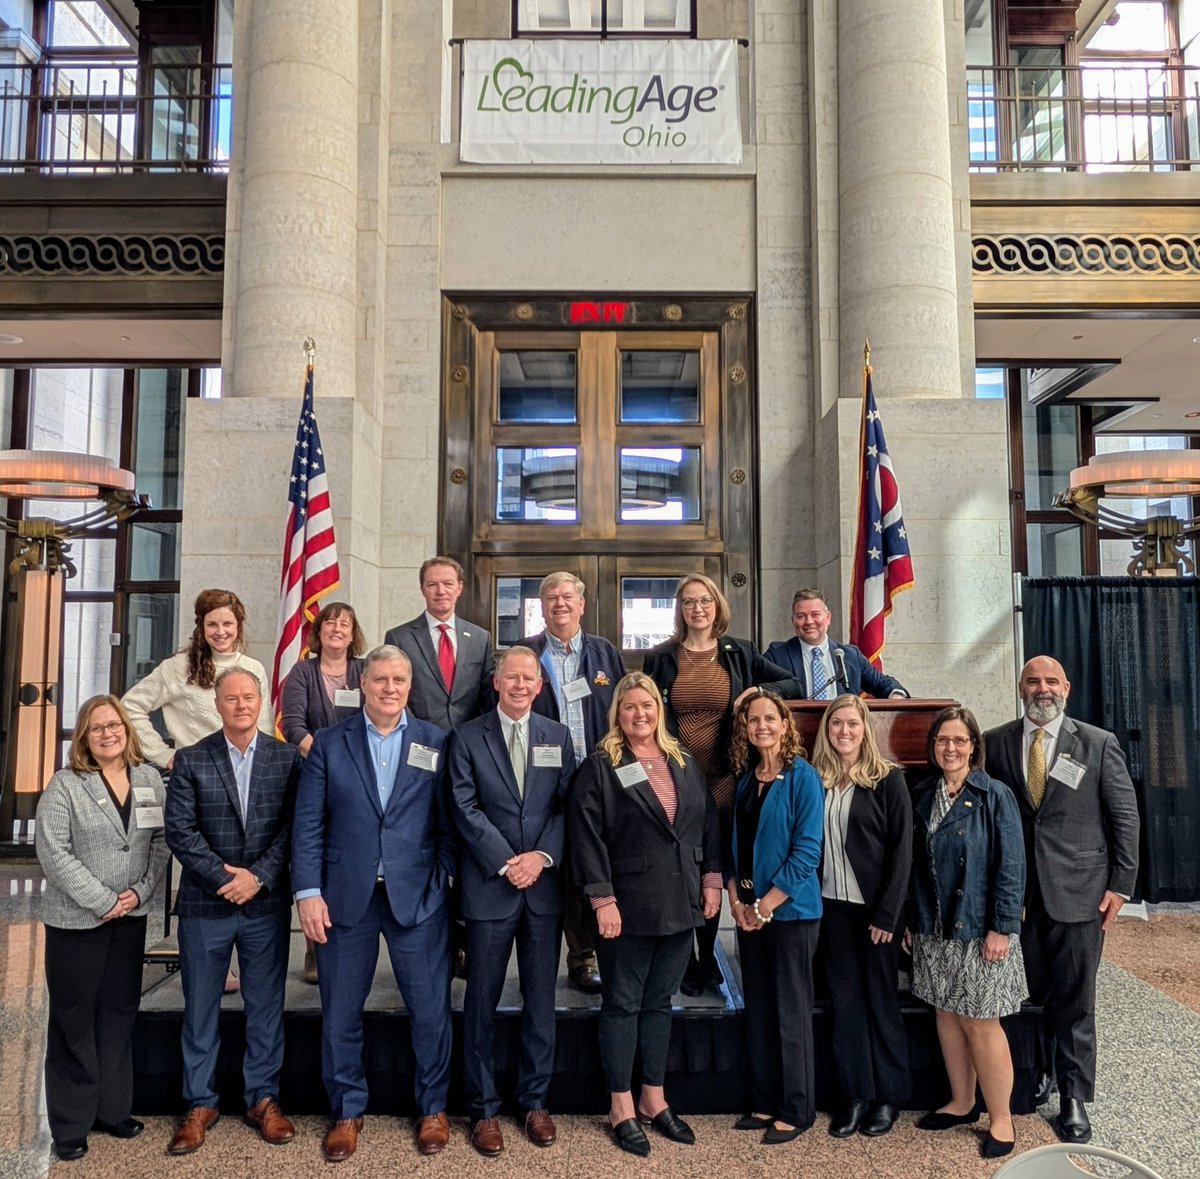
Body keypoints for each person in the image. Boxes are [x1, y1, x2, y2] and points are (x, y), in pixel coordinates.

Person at [292, 645, 455, 1162]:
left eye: (399, 681)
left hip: (417, 898)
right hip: (344, 899)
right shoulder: (330, 745)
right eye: (380, 679)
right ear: (363, 684)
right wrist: (308, 893)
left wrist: (443, 881)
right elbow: (308, 824)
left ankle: (433, 1108)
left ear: (410, 686)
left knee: (430, 1011)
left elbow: (449, 822)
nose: (389, 688)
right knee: (341, 1012)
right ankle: (346, 1111)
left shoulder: (436, 742)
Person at [984, 656, 1140, 1145]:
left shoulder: (1096, 743)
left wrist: (1120, 884)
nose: (1042, 688)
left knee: (1075, 1001)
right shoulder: (994, 742)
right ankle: (1030, 1079)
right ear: (1020, 687)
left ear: (1066, 688)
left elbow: (1124, 818)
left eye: (1051, 680)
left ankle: (1073, 1097)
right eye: (1033, 680)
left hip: (1081, 894)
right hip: (1017, 898)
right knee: (1021, 999)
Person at [567, 673, 722, 1158]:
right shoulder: (603, 765)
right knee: (623, 1004)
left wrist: (712, 878)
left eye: (648, 706)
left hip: (680, 903)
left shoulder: (682, 760)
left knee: (660, 1003)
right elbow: (585, 836)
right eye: (630, 707)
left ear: (659, 710)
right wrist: (601, 898)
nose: (641, 715)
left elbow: (706, 824)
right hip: (626, 906)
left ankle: (654, 1097)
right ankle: (620, 1105)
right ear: (619, 713)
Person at [163, 668, 302, 1155]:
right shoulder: (192, 759)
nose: (241, 705)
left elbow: (294, 828)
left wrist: (258, 876)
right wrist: (226, 878)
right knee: (200, 1008)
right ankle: (200, 1102)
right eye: (231, 698)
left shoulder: (286, 759)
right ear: (217, 704)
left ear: (261, 701)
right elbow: (180, 831)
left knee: (265, 1007)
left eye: (249, 697)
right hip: (206, 903)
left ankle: (262, 1099)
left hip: (265, 903)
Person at [642, 574, 801, 994]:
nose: (698, 609)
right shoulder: (661, 657)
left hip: (729, 776)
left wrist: (755, 690)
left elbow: (792, 683)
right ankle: (685, 957)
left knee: (718, 864)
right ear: (680, 610)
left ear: (717, 607)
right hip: (679, 779)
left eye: (705, 601)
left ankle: (709, 954)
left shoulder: (740, 652)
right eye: (690, 602)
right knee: (685, 866)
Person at [448, 646, 576, 1156]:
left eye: (530, 678)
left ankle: (535, 1101)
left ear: (539, 686)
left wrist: (540, 857)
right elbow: (463, 806)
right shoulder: (467, 736)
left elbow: (568, 807)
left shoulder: (558, 737)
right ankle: (481, 1109)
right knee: (480, 1000)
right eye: (512, 677)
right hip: (489, 886)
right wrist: (508, 861)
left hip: (543, 890)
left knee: (540, 1002)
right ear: (497, 683)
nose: (521, 685)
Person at [35, 695, 169, 1162]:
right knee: (75, 1019)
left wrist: (139, 893)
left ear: (127, 731)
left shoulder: (149, 779)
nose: (108, 733)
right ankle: (71, 1125)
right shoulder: (66, 785)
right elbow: (54, 854)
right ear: (84, 737)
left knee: (117, 1013)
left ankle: (113, 1109)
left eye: (115, 725)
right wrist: (104, 900)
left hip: (130, 918)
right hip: (78, 922)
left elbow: (159, 844)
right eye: (97, 728)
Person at [909, 707, 1026, 1161]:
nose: (951, 748)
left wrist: (1002, 926)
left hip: (981, 930)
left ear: (974, 746)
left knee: (980, 1022)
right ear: (933, 747)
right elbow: (915, 869)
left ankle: (1001, 1118)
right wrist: (914, 922)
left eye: (960, 740)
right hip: (935, 930)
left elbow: (1012, 867)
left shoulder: (995, 795)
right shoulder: (923, 795)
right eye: (942, 741)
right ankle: (962, 1102)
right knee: (946, 1014)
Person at [810, 693, 912, 1138]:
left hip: (876, 914)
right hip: (831, 910)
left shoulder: (887, 780)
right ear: (827, 731)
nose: (844, 732)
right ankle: (855, 1095)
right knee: (844, 1004)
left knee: (880, 1004)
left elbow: (902, 852)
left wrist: (889, 915)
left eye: (852, 724)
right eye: (836, 725)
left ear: (865, 729)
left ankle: (887, 1096)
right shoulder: (818, 780)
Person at [725, 689, 824, 1144]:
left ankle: (797, 1108)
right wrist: (737, 901)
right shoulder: (747, 778)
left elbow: (807, 852)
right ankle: (765, 1101)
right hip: (749, 912)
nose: (761, 726)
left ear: (785, 725)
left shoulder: (801, 776)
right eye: (753, 720)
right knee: (760, 1010)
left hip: (790, 913)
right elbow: (737, 847)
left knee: (791, 1011)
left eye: (770, 718)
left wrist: (766, 905)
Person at [524, 570, 625, 994]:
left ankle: (614, 949)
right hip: (546, 778)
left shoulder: (604, 652)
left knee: (604, 862)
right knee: (563, 870)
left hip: (601, 777)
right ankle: (580, 956)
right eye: (551, 597)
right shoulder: (526, 653)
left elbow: (623, 708)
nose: (560, 603)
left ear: (582, 605)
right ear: (542, 607)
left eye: (568, 596)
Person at [280, 600, 367, 983]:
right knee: (317, 855)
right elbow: (294, 725)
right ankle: (315, 946)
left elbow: (375, 717)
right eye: (330, 623)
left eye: (345, 624)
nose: (337, 630)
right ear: (319, 632)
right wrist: (327, 758)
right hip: (313, 774)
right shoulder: (303, 672)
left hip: (360, 780)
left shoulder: (364, 670)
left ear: (353, 633)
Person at [123, 587, 274, 771]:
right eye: (212, 624)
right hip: (197, 773)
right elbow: (129, 706)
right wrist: (163, 754)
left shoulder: (254, 668)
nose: (220, 632)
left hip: (246, 771)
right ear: (201, 626)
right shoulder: (178, 667)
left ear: (238, 626)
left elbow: (264, 727)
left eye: (227, 623)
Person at [383, 555, 495, 731]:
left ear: (459, 588)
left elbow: (487, 694)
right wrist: (418, 732)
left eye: (448, 584)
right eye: (432, 584)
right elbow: (394, 692)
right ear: (422, 589)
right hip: (419, 738)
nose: (440, 591)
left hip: (469, 741)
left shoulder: (480, 638)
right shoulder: (399, 638)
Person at [764, 588, 908, 700]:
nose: (808, 621)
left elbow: (883, 684)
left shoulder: (851, 656)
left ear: (828, 618)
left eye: (815, 614)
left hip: (842, 733)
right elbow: (756, 687)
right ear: (793, 621)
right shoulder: (778, 655)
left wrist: (895, 697)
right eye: (801, 616)